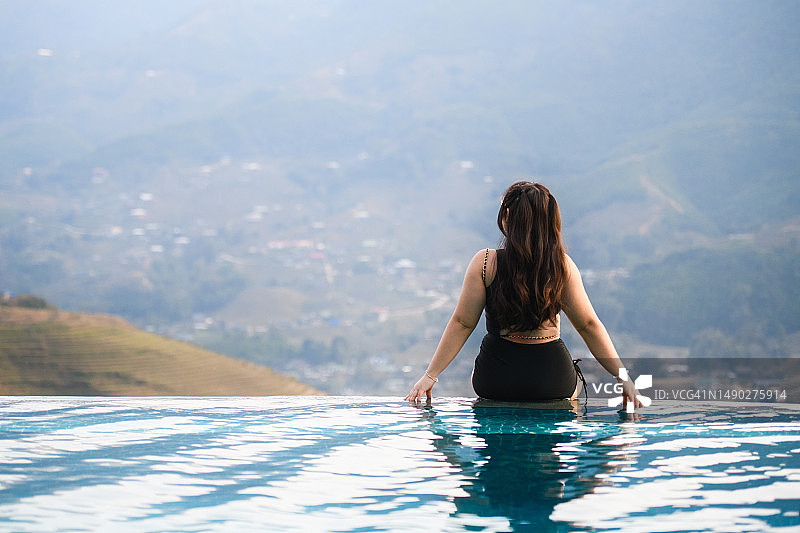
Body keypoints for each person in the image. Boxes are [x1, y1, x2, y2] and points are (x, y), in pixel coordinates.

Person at [405, 180, 641, 408]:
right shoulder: (562, 266)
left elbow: (462, 323)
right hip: (551, 381)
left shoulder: (485, 263)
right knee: (572, 404)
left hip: (495, 380)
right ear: (550, 221)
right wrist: (623, 377)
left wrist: (430, 375)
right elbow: (588, 325)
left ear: (507, 215)